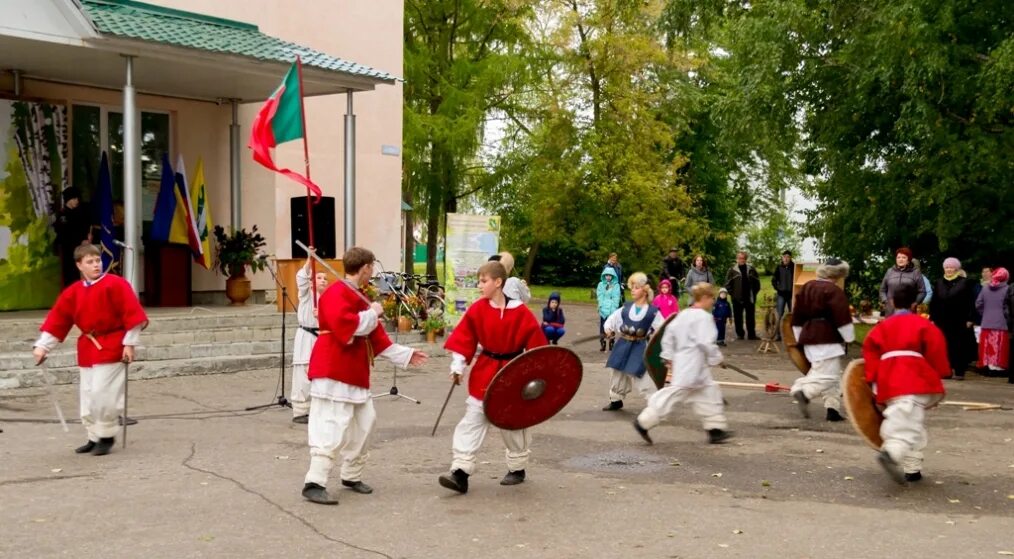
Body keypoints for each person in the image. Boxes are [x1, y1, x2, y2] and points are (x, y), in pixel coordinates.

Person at [301, 247, 428, 505]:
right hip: (333, 369)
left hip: (354, 373)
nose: (373, 272)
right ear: (366, 267)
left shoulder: (358, 297)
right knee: (330, 425)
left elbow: (377, 340)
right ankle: (314, 482)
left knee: (365, 423)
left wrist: (406, 354)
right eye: (372, 267)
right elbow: (348, 328)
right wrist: (373, 312)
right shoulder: (336, 293)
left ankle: (351, 474)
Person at [438, 261, 547, 493]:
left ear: (498, 282)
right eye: (479, 281)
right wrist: (458, 366)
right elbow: (464, 338)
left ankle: (517, 467)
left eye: (483, 281)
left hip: (513, 373)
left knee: (513, 424)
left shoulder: (521, 313)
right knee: (473, 418)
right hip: (485, 372)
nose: (479, 286)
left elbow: (538, 350)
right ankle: (460, 472)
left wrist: (537, 380)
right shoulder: (478, 309)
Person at [32, 243, 148, 456]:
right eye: (90, 262)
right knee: (87, 395)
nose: (96, 265)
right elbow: (58, 319)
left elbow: (133, 315)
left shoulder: (116, 284)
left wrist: (130, 343)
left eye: (97, 260)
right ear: (79, 265)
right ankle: (93, 436)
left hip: (112, 344)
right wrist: (42, 346)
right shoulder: (73, 292)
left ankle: (106, 435)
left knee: (102, 393)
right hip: (87, 347)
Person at [862, 283, 949, 484]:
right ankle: (892, 453)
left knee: (910, 421)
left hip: (888, 379)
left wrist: (873, 379)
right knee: (906, 423)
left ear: (891, 301)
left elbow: (870, 351)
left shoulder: (881, 327)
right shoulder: (924, 325)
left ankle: (913, 468)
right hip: (914, 378)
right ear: (914, 304)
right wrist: (938, 374)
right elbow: (936, 350)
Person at [633, 282, 733, 445]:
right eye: (711, 298)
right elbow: (705, 343)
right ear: (704, 297)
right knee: (672, 395)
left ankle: (715, 430)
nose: (713, 302)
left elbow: (668, 337)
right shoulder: (704, 318)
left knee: (709, 392)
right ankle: (643, 422)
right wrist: (717, 359)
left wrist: (668, 356)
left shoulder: (683, 315)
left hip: (689, 364)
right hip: (691, 366)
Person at [788, 259, 855, 422]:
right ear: (838, 274)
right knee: (829, 376)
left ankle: (832, 409)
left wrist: (799, 338)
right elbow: (842, 317)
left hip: (808, 335)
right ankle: (803, 391)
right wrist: (849, 337)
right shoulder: (834, 291)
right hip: (826, 339)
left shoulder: (807, 287)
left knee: (828, 373)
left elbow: (797, 316)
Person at [601, 272, 665, 411]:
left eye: (636, 287)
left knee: (640, 372)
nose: (632, 290)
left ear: (645, 290)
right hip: (623, 344)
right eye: (632, 287)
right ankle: (616, 399)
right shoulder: (626, 307)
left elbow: (663, 329)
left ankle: (654, 402)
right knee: (617, 370)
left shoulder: (653, 312)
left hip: (639, 346)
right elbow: (612, 319)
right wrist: (608, 329)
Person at [290, 249, 330, 424]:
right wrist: (309, 259)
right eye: (318, 278)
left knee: (320, 371)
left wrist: (321, 315)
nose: (322, 280)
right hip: (306, 336)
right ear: (312, 283)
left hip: (320, 337)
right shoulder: (307, 295)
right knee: (304, 371)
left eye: (325, 278)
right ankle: (300, 410)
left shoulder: (327, 299)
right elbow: (301, 279)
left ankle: (317, 407)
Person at [928, 258, 977, 380]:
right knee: (943, 346)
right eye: (946, 267)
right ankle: (946, 370)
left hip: (959, 320)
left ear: (956, 269)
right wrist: (932, 318)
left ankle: (960, 371)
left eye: (951, 267)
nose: (949, 270)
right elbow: (934, 302)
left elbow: (971, 302)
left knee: (959, 346)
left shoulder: (965, 283)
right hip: (942, 320)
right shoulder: (939, 282)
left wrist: (970, 318)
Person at [54, 186, 95, 287]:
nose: (77, 201)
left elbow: (83, 227)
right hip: (68, 250)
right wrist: (80, 241)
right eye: (74, 198)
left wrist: (87, 237)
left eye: (78, 198)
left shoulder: (79, 213)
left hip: (79, 249)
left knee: (78, 275)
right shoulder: (63, 215)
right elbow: (65, 234)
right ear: (69, 199)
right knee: (69, 275)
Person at [975, 267, 1010, 377]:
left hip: (986, 321)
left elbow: (978, 304)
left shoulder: (985, 288)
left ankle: (987, 366)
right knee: (999, 346)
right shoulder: (1007, 289)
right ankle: (998, 368)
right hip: (1002, 322)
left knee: (986, 346)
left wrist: (984, 314)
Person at [724, 251, 761, 340]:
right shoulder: (732, 270)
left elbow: (757, 282)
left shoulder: (751, 269)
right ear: (737, 259)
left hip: (749, 297)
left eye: (743, 258)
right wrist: (732, 294)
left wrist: (754, 293)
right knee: (738, 318)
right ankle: (740, 335)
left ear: (746, 259)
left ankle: (751, 335)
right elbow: (727, 284)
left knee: (750, 318)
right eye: (740, 258)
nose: (742, 260)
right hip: (737, 298)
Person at [879, 247, 926, 316]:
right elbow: (882, 290)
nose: (901, 259)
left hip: (909, 311)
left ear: (908, 260)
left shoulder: (915, 272)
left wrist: (915, 303)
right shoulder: (889, 271)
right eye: (898, 257)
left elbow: (922, 291)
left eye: (904, 257)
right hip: (890, 311)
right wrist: (886, 301)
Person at [596, 266, 622, 352]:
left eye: (610, 275)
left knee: (611, 326)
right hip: (603, 308)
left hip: (612, 308)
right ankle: (602, 343)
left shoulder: (616, 285)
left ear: (613, 276)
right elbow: (600, 295)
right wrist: (600, 306)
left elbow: (616, 297)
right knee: (602, 327)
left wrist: (614, 308)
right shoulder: (600, 285)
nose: (608, 277)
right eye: (606, 275)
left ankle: (611, 342)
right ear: (604, 275)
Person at [771, 250, 795, 340]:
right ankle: (778, 335)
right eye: (784, 256)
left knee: (792, 315)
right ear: (782, 257)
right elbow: (774, 280)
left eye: (788, 257)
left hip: (791, 294)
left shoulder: (794, 267)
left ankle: (792, 335)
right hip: (781, 294)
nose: (786, 258)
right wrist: (778, 288)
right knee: (779, 315)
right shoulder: (778, 267)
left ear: (790, 258)